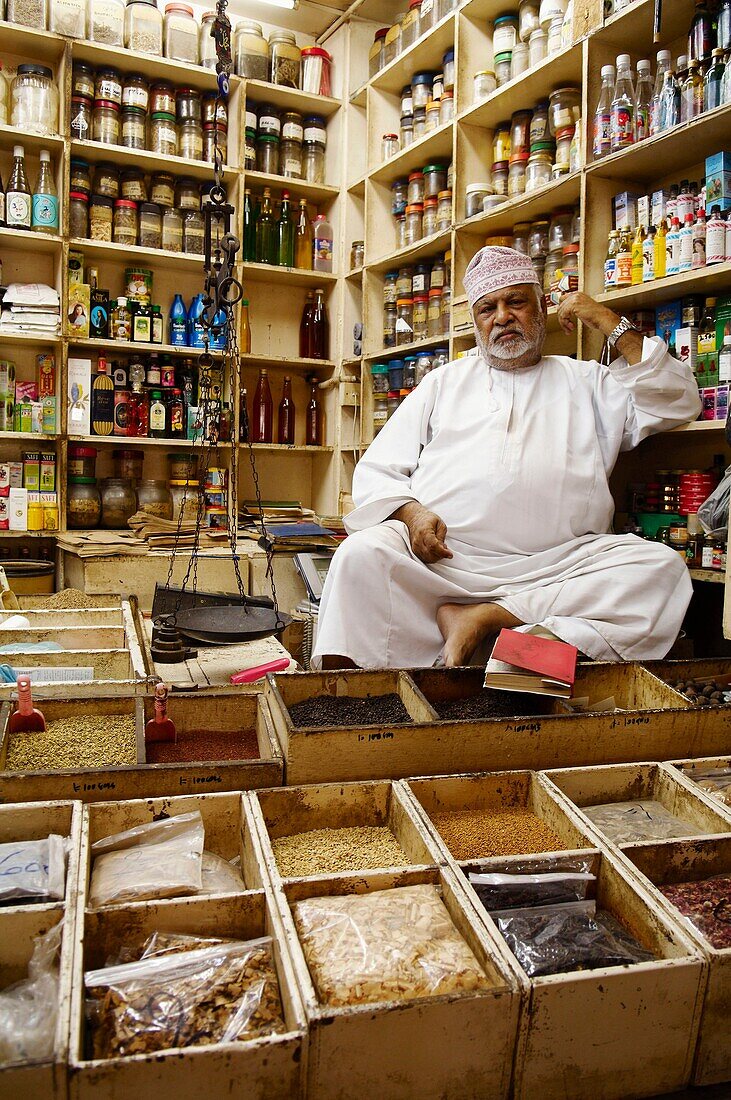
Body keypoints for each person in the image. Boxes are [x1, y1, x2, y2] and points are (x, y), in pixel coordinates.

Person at [313, 246, 702, 670]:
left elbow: (678, 401)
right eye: (487, 308)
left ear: (541, 308)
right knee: (360, 555)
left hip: (559, 567)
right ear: (476, 322)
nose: (502, 317)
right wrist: (411, 514)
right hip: (446, 564)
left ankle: (487, 620)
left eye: (516, 302)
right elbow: (378, 470)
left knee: (659, 568)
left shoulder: (590, 382)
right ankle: (344, 702)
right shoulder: (444, 383)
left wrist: (605, 321)